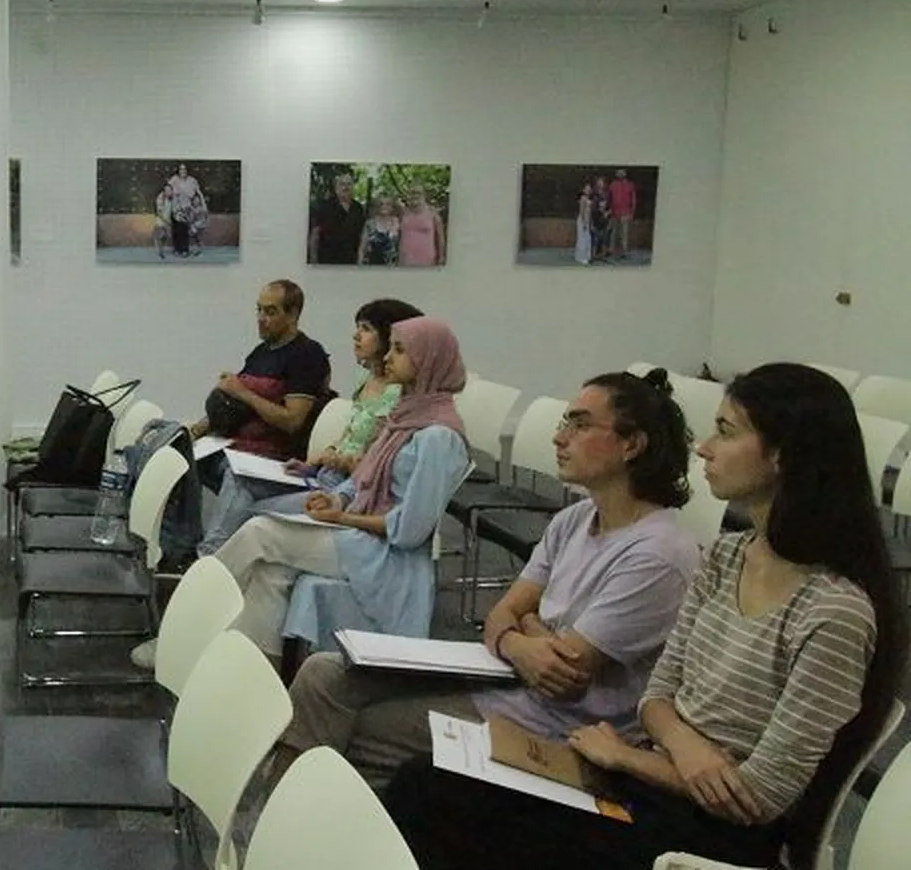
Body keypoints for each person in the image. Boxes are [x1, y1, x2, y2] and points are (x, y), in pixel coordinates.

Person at [381, 363, 908, 870]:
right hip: (652, 778)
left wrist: (629, 757)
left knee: (440, 804)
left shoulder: (834, 611)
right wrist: (685, 748)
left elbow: (757, 797)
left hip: (711, 833)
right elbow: (658, 696)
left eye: (725, 432)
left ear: (782, 456)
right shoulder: (726, 557)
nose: (704, 447)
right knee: (427, 783)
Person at [267, 369, 700, 791]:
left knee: (361, 728)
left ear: (631, 444)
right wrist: (522, 637)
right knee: (324, 674)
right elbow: (501, 615)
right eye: (564, 422)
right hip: (506, 674)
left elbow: (564, 670)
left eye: (580, 425)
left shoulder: (657, 554)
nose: (560, 437)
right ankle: (279, 818)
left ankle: (309, 815)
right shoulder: (575, 519)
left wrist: (523, 625)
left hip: (557, 725)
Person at [192, 317, 470, 661]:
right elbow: (360, 481)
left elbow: (409, 531)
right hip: (361, 538)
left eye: (399, 350)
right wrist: (337, 498)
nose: (387, 358)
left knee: (259, 532)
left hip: (387, 558)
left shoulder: (438, 438)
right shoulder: (406, 417)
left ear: (428, 360)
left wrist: (342, 517)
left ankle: (192, 621)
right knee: (270, 573)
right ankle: (253, 669)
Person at [187, 280, 331, 464]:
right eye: (259, 310)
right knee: (174, 455)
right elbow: (233, 402)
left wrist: (242, 392)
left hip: (270, 457)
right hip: (232, 445)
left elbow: (293, 421)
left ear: (292, 315)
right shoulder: (260, 353)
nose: (261, 319)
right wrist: (194, 431)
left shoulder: (307, 354)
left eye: (270, 312)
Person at [308, 173, 367, 265]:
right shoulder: (325, 207)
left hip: (351, 259)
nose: (346, 187)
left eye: (349, 184)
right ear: (336, 187)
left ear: (353, 187)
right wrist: (313, 259)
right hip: (327, 259)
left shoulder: (358, 208)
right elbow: (315, 234)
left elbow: (362, 234)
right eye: (342, 184)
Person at [397, 185, 446, 266]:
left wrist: (442, 256)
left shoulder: (433, 213)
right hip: (405, 259)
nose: (415, 195)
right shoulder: (403, 213)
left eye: (418, 193)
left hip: (427, 259)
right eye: (412, 193)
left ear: (424, 195)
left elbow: (441, 237)